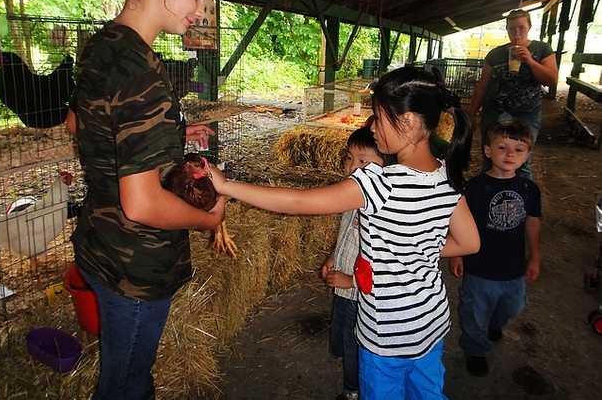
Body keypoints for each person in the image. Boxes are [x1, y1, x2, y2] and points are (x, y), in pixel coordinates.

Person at [210, 66, 481, 400]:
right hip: (430, 322)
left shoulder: (379, 183)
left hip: (385, 331)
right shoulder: (447, 176)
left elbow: (297, 201)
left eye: (379, 118)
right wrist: (416, 250)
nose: (373, 126)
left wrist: (225, 185)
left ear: (408, 121)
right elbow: (470, 242)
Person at [66, 0, 225, 400]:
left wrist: (171, 131)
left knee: (125, 375)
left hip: (100, 241)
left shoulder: (103, 45)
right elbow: (142, 203)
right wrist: (209, 215)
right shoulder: (143, 72)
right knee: (127, 384)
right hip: (136, 263)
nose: (202, 10)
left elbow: (79, 122)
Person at [449, 118, 541, 378]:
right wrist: (456, 251)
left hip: (513, 267)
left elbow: (533, 225)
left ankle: (495, 323)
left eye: (518, 149)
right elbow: (458, 221)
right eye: (502, 147)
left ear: (527, 155)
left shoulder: (529, 189)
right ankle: (474, 348)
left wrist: (535, 257)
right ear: (488, 150)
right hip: (479, 266)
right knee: (475, 310)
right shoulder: (475, 188)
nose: (510, 154)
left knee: (513, 306)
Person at [321, 125, 394, 400]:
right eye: (349, 157)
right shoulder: (353, 196)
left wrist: (351, 280)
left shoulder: (381, 210)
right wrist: (332, 257)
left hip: (360, 293)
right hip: (344, 288)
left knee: (355, 343)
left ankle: (352, 391)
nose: (352, 166)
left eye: (363, 161)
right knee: (341, 332)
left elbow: (385, 260)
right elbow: (346, 237)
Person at [468, 9, 558, 179]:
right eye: (512, 28)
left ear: (529, 27)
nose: (517, 32)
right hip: (495, 113)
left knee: (520, 161)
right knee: (492, 158)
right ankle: (487, 198)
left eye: (521, 27)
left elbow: (552, 80)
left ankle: (521, 199)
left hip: (526, 115)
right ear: (507, 29)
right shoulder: (495, 54)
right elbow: (482, 86)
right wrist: (471, 115)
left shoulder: (542, 49)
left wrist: (530, 61)